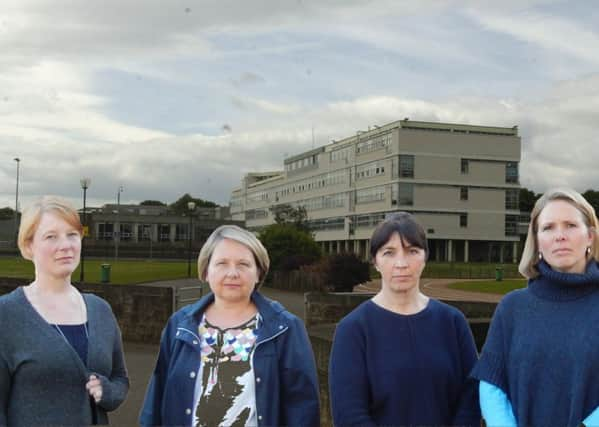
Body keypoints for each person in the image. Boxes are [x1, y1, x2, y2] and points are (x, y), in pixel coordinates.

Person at [140, 224, 320, 427]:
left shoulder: (285, 328)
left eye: (243, 264)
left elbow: (302, 408)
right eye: (222, 263)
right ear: (206, 271)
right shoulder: (180, 324)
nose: (232, 273)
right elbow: (155, 400)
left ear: (259, 273)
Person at [329, 212, 480, 427]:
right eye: (389, 253)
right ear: (375, 261)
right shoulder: (353, 329)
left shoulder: (453, 322)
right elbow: (349, 414)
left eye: (412, 251)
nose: (401, 263)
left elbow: (471, 397)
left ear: (424, 258)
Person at [471, 188, 599, 426]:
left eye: (570, 225)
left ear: (590, 236)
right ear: (537, 240)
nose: (560, 235)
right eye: (548, 227)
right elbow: (492, 384)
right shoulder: (512, 308)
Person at [0, 196, 129, 426]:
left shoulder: (100, 310)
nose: (66, 245)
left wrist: (106, 391)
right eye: (51, 236)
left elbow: (120, 379)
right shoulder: (7, 314)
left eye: (72, 234)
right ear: (29, 245)